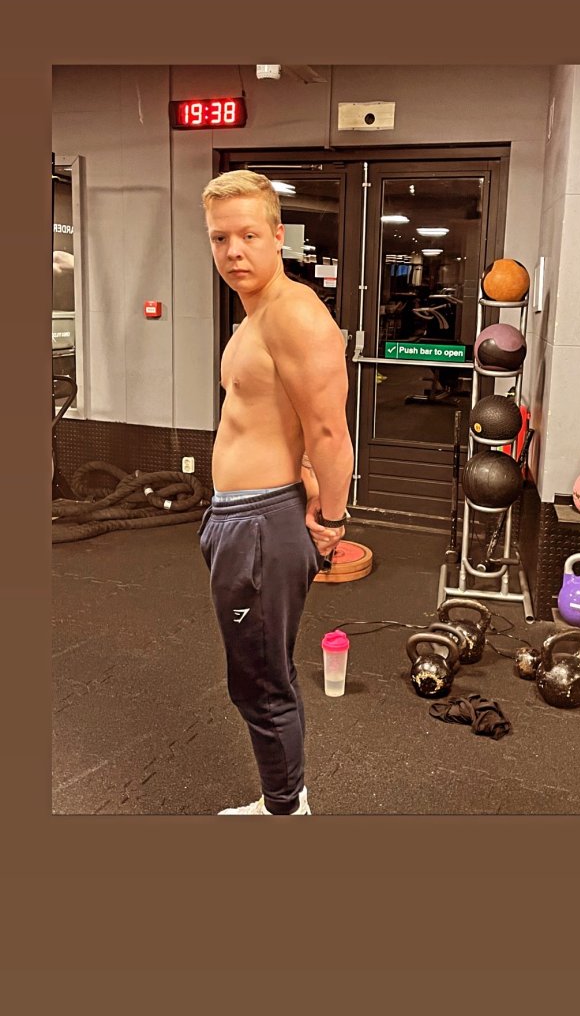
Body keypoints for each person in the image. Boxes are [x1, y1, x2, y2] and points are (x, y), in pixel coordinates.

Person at [198, 169, 354, 816]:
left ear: (278, 236)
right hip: (241, 519)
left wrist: (333, 520)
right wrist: (307, 475)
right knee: (264, 669)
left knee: (260, 681)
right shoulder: (254, 317)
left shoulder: (294, 315)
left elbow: (330, 429)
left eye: (248, 235)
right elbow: (290, 420)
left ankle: (285, 811)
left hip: (261, 525)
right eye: (220, 238)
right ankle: (285, 800)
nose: (233, 251)